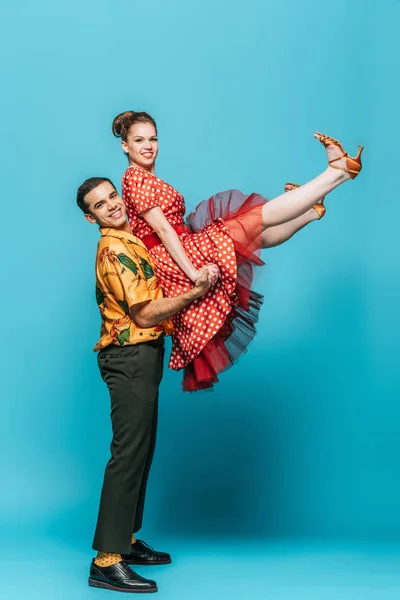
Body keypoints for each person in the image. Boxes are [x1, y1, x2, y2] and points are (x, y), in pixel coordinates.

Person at [112, 111, 363, 392]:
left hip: (180, 247)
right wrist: (193, 272)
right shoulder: (135, 179)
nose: (148, 145)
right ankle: (337, 171)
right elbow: (164, 231)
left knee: (254, 234)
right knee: (255, 219)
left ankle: (313, 209)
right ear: (126, 146)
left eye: (153, 138)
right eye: (139, 140)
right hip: (175, 255)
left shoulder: (146, 179)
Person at [77, 177, 215, 593]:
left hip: (143, 355)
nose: (112, 205)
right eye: (101, 205)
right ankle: (105, 560)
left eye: (113, 196)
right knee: (128, 454)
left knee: (142, 449)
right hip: (128, 357)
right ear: (91, 217)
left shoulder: (130, 235)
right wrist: (196, 293)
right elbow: (144, 314)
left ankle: (127, 541)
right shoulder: (115, 249)